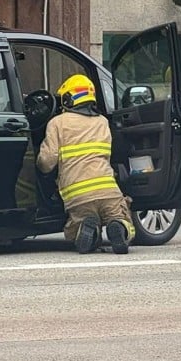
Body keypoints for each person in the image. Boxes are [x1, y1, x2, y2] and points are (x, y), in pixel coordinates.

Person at [37, 74, 134, 254]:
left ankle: (89, 229)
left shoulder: (57, 123)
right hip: (108, 190)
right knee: (124, 220)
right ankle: (118, 227)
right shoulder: (103, 122)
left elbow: (47, 161)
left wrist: (38, 168)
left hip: (78, 195)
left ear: (68, 98)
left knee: (75, 231)